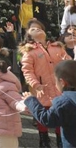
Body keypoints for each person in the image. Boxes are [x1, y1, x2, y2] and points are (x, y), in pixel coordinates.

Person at [20, 18, 70, 147]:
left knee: (61, 112)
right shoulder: (29, 51)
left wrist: (67, 59)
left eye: (40, 28)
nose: (37, 29)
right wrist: (35, 84)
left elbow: (68, 64)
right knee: (42, 114)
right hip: (42, 88)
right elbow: (27, 71)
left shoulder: (57, 47)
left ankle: (60, 140)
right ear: (28, 36)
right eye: (33, 29)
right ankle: (44, 141)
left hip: (60, 87)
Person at [24, 59, 76, 148]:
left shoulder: (63, 102)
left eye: (56, 81)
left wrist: (31, 100)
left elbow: (47, 119)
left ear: (62, 82)